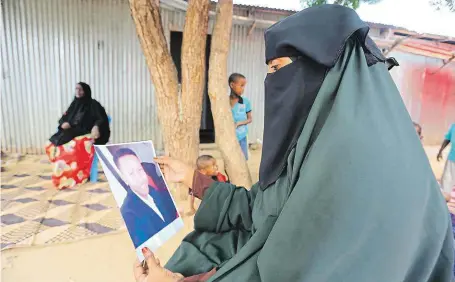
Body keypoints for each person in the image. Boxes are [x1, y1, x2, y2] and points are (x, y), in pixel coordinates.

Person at [135, 5, 453, 282]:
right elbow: (265, 209)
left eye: (277, 68)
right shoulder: (315, 144)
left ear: (319, 71)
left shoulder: (355, 170)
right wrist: (192, 177)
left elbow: (292, 270)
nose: (270, 82)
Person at [45, 82, 110, 189]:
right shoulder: (74, 104)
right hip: (71, 131)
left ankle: (71, 177)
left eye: (81, 89)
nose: (78, 92)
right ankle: (62, 173)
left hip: (85, 132)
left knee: (68, 149)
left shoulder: (93, 104)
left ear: (86, 91)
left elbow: (101, 118)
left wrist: (96, 126)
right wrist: (63, 124)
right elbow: (64, 117)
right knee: (50, 144)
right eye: (76, 89)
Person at [113, 148, 178, 248]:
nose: (140, 178)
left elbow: (172, 213)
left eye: (140, 170)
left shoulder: (154, 191)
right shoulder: (129, 213)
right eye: (131, 174)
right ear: (125, 179)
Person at [229, 73, 252, 160]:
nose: (243, 89)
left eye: (244, 86)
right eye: (241, 86)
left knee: (242, 158)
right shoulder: (225, 101)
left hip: (242, 136)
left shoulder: (245, 102)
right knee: (231, 159)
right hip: (229, 136)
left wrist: (239, 123)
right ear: (232, 85)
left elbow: (250, 119)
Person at [438, 123, 455, 194]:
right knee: (446, 180)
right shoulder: (453, 126)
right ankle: (444, 197)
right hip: (452, 158)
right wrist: (440, 150)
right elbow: (447, 139)